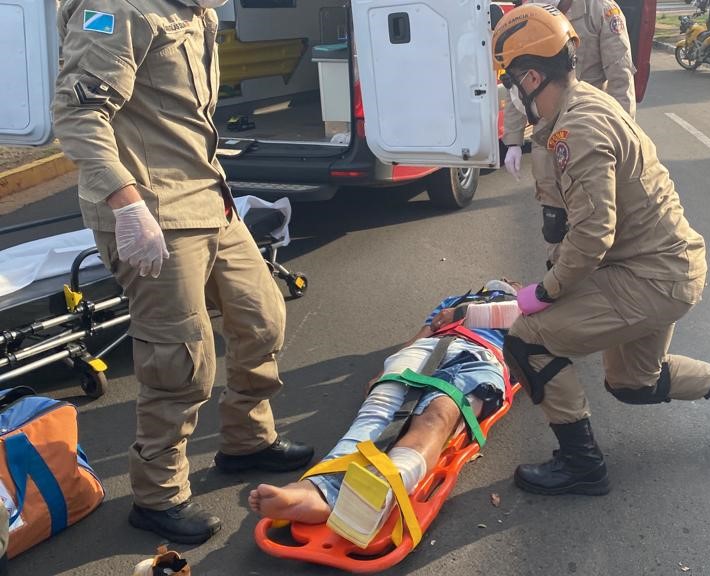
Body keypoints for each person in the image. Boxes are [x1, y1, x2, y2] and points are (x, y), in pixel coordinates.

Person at [492, 5, 710, 496]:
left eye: (511, 84)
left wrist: (545, 291)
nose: (510, 95)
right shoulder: (585, 99)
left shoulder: (577, 130)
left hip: (649, 276)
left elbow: (591, 235)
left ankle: (582, 466)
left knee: (529, 341)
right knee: (634, 383)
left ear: (530, 76)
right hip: (666, 266)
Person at [51, 0, 313, 544]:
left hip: (210, 199)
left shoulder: (195, 12)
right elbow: (78, 114)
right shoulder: (115, 8)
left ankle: (246, 441)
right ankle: (157, 495)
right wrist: (126, 205)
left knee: (261, 318)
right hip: (152, 211)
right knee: (180, 360)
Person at [248, 282, 514, 529]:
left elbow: (539, 342)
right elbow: (423, 333)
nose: (505, 281)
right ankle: (317, 490)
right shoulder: (454, 301)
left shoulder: (527, 308)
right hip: (430, 347)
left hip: (482, 356)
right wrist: (385, 368)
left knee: (436, 418)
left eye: (513, 283)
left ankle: (378, 493)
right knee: (378, 408)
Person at [502, 0, 635, 265]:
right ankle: (557, 282)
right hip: (546, 137)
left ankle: (587, 284)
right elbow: (519, 82)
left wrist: (622, 135)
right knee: (554, 224)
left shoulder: (601, 9)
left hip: (589, 134)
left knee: (593, 221)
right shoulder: (532, 12)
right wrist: (513, 140)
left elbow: (620, 77)